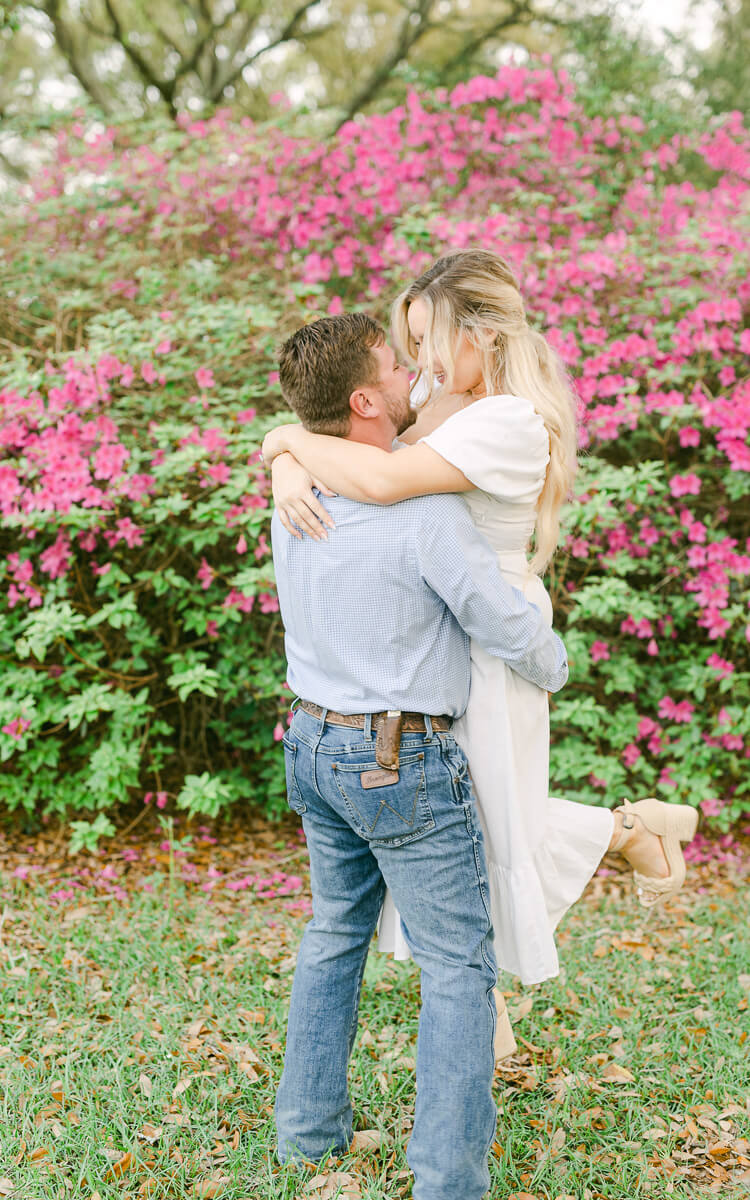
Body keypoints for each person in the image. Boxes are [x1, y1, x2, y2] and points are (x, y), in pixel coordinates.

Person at [263, 249, 698, 995]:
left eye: (428, 338)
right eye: (411, 342)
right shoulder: (438, 390)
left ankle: (618, 843)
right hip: (432, 623)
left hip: (493, 627)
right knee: (447, 820)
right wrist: (286, 458)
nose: (417, 360)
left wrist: (287, 444)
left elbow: (384, 479)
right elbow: (357, 436)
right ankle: (617, 841)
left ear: (483, 336)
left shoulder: (508, 420)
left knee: (487, 821)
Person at [270, 311, 569, 1200]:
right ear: (365, 401)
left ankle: (307, 1134)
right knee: (458, 968)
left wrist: (284, 447)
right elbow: (495, 617)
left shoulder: (295, 491)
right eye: (398, 368)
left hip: (313, 743)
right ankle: (448, 1180)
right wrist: (553, 661)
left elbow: (317, 450)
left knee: (332, 935)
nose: (415, 377)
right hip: (398, 760)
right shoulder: (426, 509)